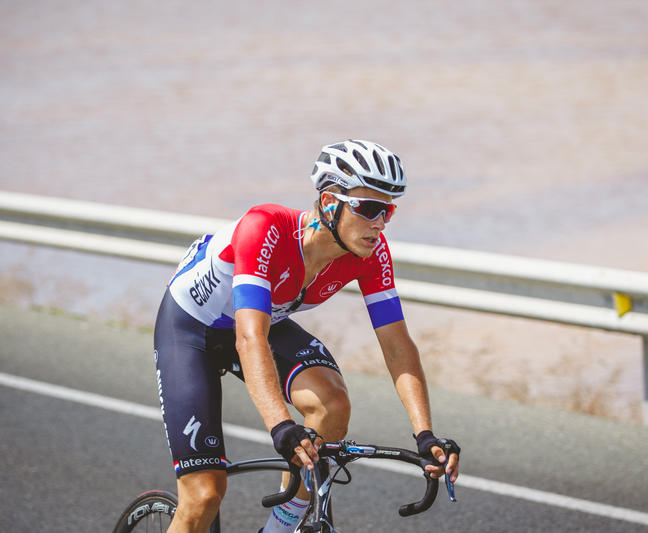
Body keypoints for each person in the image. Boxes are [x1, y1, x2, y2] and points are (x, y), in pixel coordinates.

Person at [153, 139, 461, 533]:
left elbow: (398, 347)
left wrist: (425, 434)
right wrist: (281, 425)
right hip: (191, 328)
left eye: (388, 210)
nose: (380, 223)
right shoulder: (265, 228)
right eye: (369, 209)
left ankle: (280, 528)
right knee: (204, 496)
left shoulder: (370, 253)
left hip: (264, 321)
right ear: (330, 202)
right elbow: (250, 339)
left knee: (332, 404)